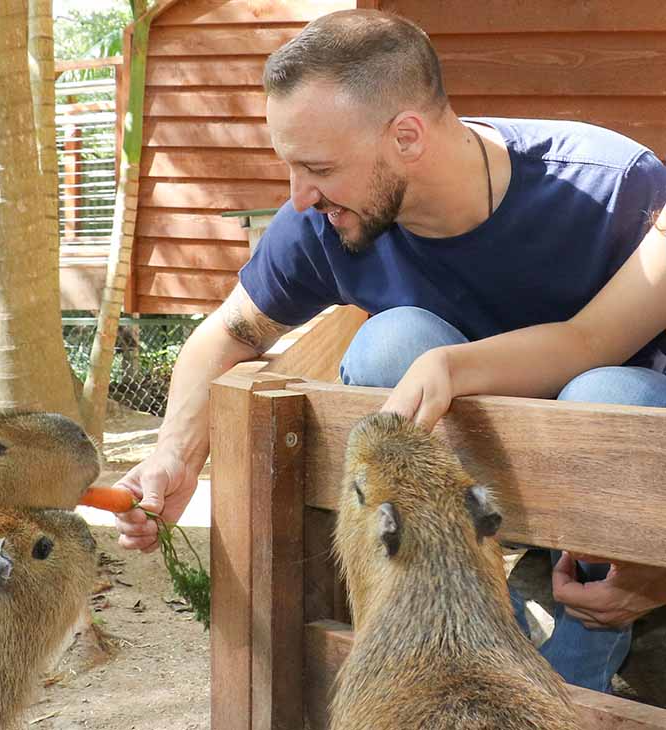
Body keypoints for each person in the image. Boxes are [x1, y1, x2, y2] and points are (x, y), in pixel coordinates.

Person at [111, 8, 666, 694]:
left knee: (610, 398)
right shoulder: (320, 218)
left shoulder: (612, 186)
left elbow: (592, 344)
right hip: (460, 488)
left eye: (317, 168)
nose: (298, 197)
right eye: (289, 167)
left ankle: (566, 688)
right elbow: (229, 332)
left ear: (407, 135)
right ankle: (449, 651)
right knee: (394, 344)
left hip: (611, 485)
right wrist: (174, 453)